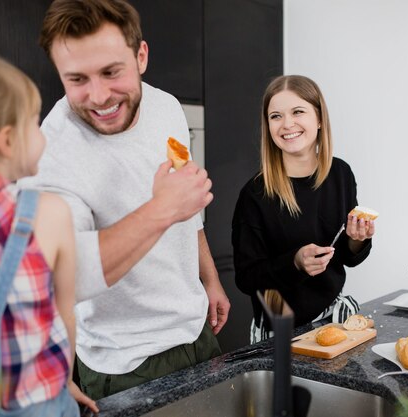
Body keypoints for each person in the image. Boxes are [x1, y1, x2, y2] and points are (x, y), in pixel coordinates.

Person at [20, 0, 230, 400]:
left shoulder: (165, 106)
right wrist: (160, 210)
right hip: (124, 361)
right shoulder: (54, 151)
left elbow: (186, 200)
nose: (98, 96)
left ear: (141, 56)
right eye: (77, 79)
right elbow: (67, 273)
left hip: (195, 331)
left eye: (111, 72)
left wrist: (210, 278)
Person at [0, 47, 97, 416]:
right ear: (7, 142)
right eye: (34, 123)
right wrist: (65, 381)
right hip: (40, 404)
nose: (43, 134)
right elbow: (64, 314)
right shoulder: (46, 214)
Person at [232, 75, 375, 343]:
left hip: (335, 318)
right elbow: (246, 278)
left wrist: (357, 240)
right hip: (279, 328)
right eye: (276, 116)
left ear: (319, 119)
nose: (287, 124)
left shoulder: (340, 174)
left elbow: (345, 256)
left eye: (298, 111)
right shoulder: (255, 194)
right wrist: (295, 262)